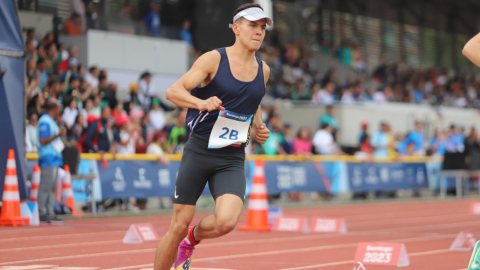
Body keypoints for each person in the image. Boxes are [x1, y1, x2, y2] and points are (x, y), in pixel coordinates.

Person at [153, 3, 272, 270]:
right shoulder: (214, 59)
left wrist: (258, 128)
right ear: (236, 28)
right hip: (200, 151)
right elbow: (173, 92)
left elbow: (254, 100)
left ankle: (192, 239)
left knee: (227, 222)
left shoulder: (263, 70)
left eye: (262, 27)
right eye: (252, 25)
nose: (258, 32)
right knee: (177, 225)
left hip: (231, 156)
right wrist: (199, 103)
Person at [37, 100, 66, 223]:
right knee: (45, 186)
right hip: (47, 158)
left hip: (54, 159)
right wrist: (57, 135)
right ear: (54, 108)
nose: (59, 111)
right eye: (58, 108)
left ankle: (49, 213)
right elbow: (43, 140)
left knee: (52, 187)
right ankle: (41, 212)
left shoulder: (51, 121)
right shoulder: (45, 121)